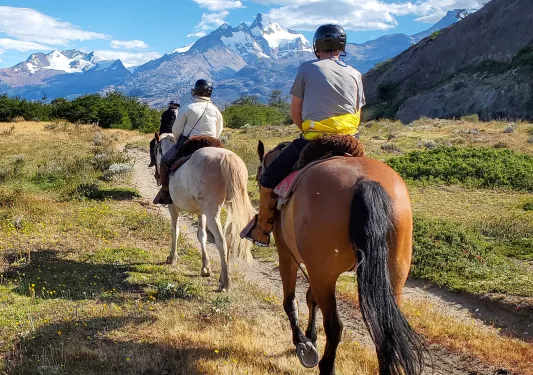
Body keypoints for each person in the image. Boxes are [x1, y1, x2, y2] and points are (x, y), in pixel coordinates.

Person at [242, 24, 366, 246]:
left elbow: (295, 112)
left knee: (270, 177)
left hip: (315, 140)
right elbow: (358, 112)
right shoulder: (356, 74)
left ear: (316, 46)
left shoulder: (307, 69)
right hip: (350, 141)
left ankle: (262, 230)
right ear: (342, 47)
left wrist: (307, 130)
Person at [154, 79, 224, 205]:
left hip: (190, 144)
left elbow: (176, 130)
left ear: (195, 91)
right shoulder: (216, 110)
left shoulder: (187, 108)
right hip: (213, 144)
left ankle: (166, 193)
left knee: (164, 162)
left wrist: (178, 142)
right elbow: (218, 131)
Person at [149, 100, 180, 167]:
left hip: (163, 133)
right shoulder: (177, 112)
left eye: (176, 105)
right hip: (173, 133)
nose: (176, 106)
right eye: (175, 105)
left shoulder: (164, 113)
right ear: (171, 105)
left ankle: (153, 161)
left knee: (152, 144)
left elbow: (162, 124)